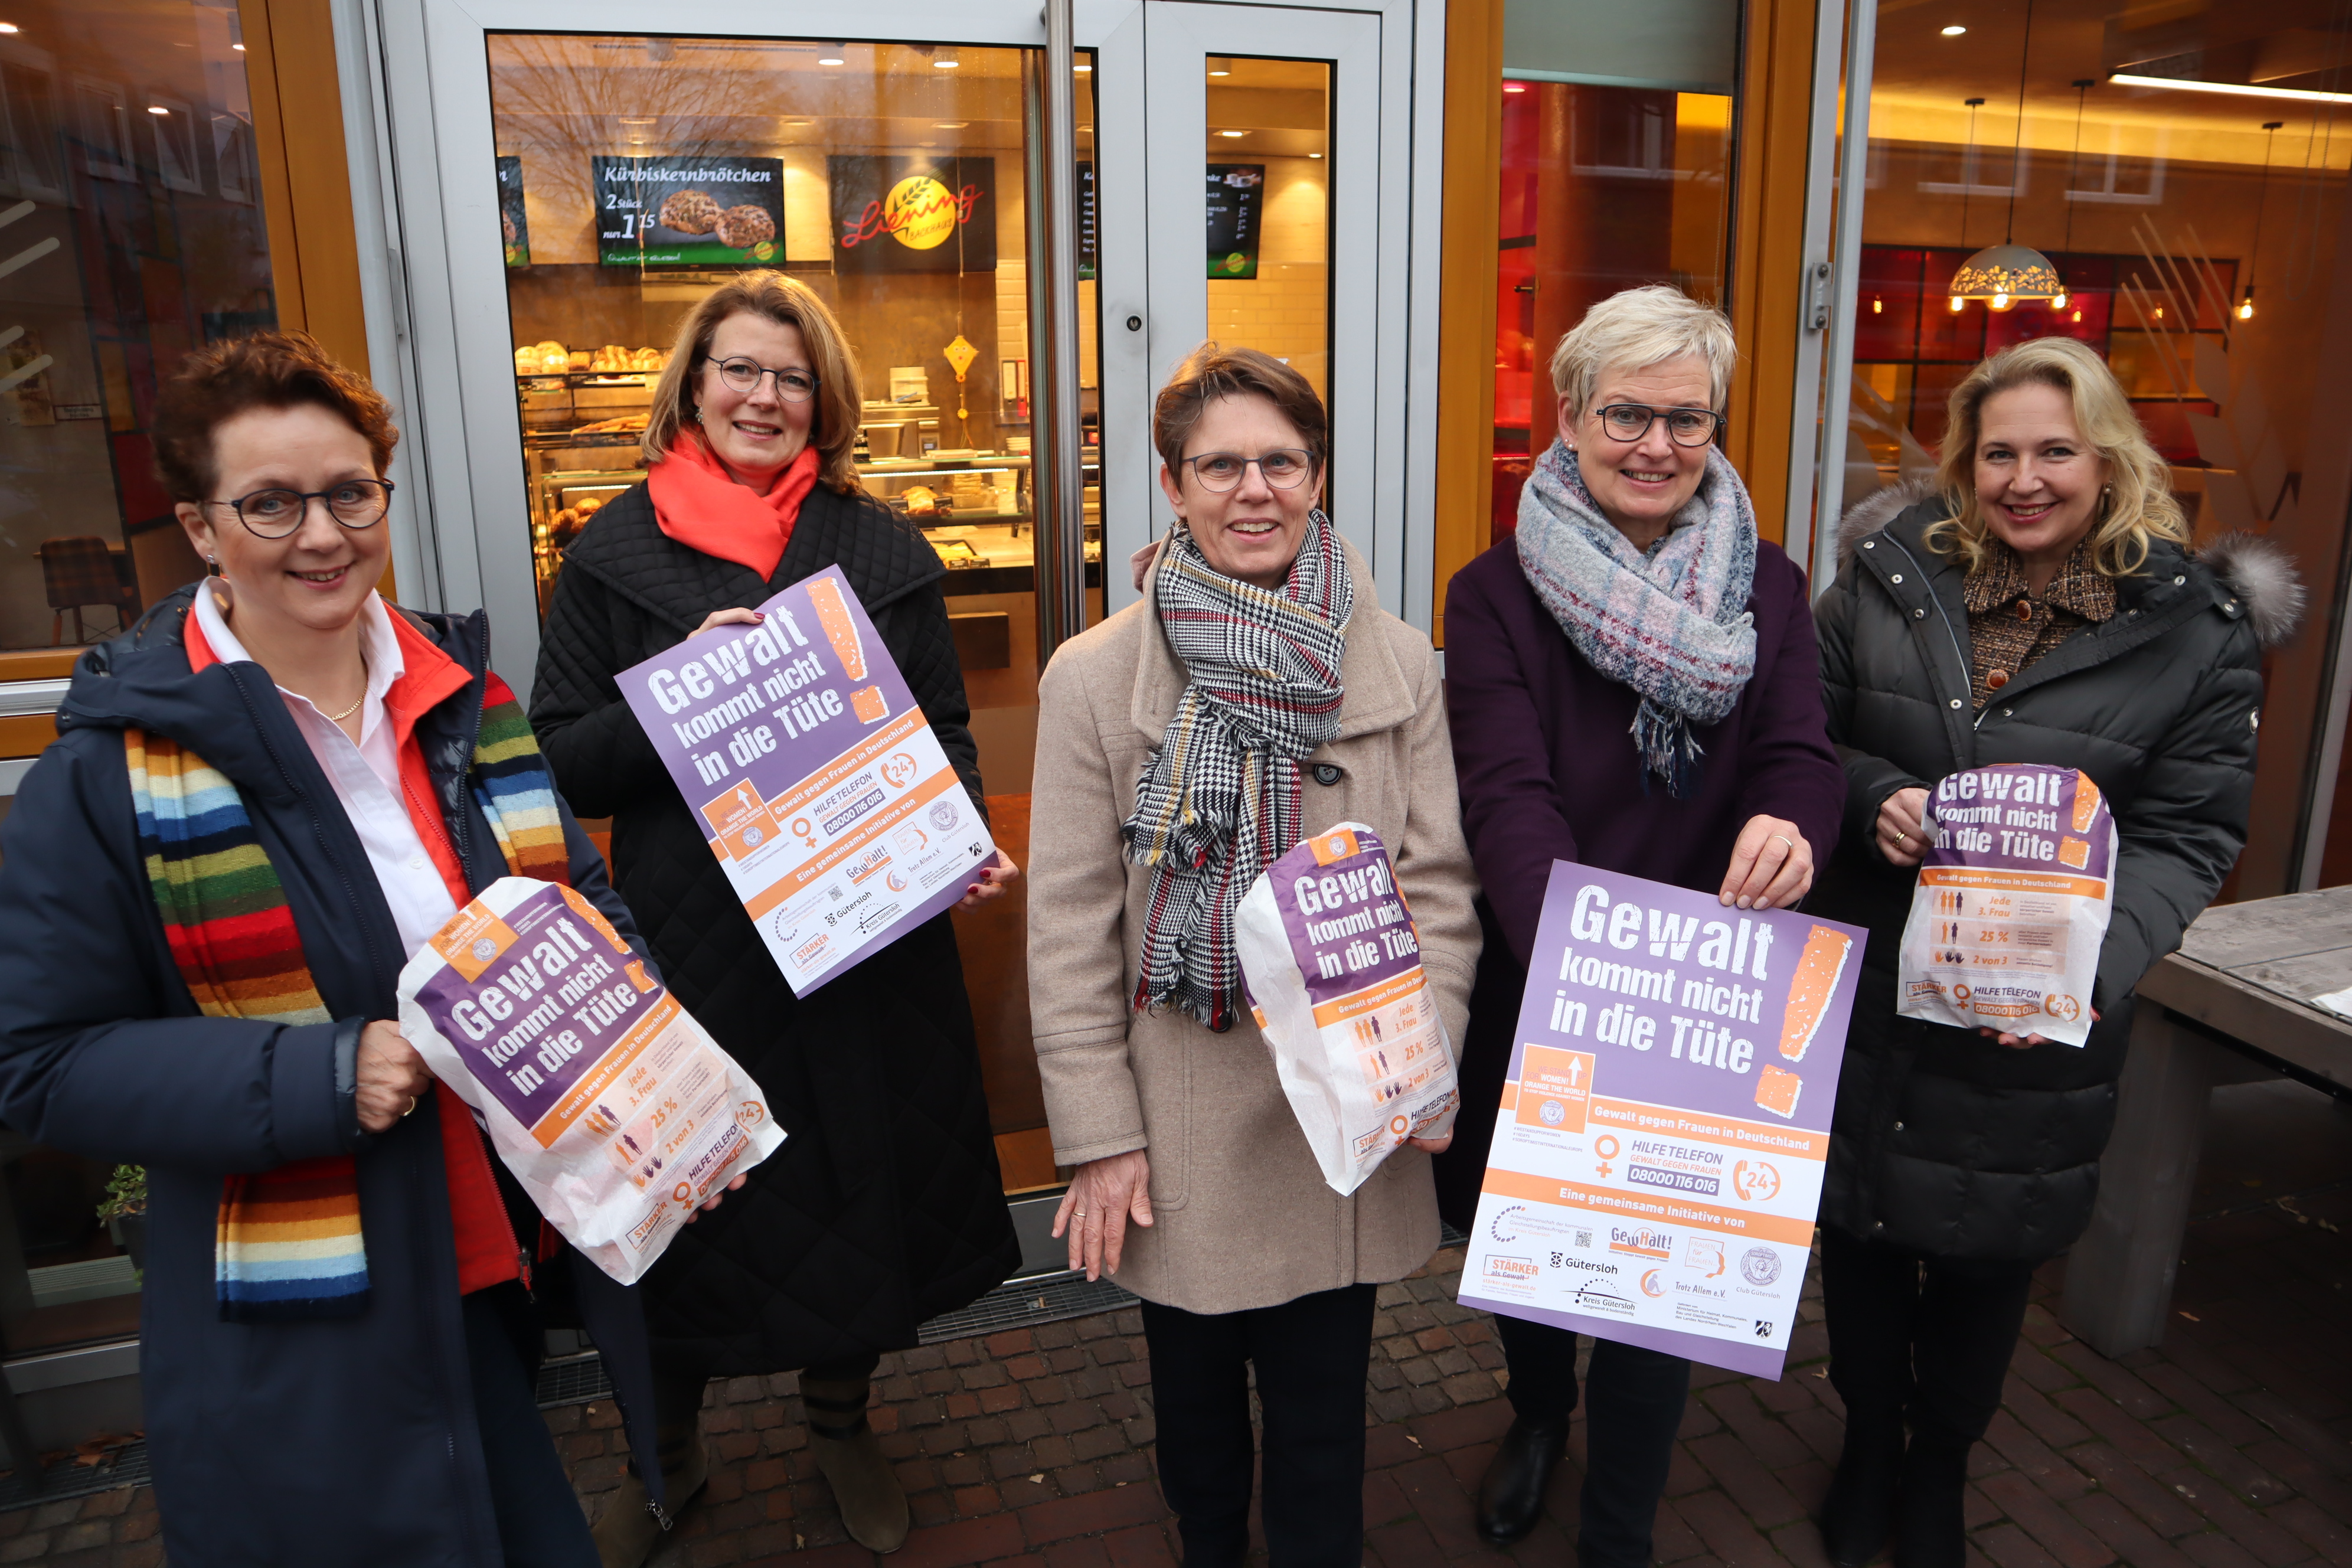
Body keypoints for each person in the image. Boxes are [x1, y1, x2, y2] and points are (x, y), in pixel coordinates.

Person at [0, 331, 714, 1566]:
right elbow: (41, 1060)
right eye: (269, 503)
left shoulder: (466, 705)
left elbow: (586, 911)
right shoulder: (108, 771)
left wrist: (669, 1093)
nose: (321, 533)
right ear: (201, 526)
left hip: (493, 1238)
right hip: (310, 1312)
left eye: (348, 492)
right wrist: (320, 1076)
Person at [528, 270, 1020, 1562]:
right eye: (739, 369)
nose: (763, 394)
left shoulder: (880, 547)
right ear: (693, 384)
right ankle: (669, 1457)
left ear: (824, 400)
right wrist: (676, 688)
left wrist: (957, 835)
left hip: (859, 934)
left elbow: (940, 727)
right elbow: (562, 756)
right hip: (692, 941)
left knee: (857, 1181)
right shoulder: (612, 552)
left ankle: (843, 1417)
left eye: (790, 376)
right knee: (693, 1193)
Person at [1811, 335, 2298, 1568]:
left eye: (2056, 451)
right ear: (1965, 467)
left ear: (2109, 458)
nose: (2025, 478)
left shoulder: (2194, 630)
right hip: (1869, 987)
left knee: (1986, 1260)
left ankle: (1939, 1469)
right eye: (2000, 453)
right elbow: (1799, 739)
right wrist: (1870, 792)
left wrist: (2089, 973)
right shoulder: (1887, 576)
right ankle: (1868, 1441)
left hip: (2031, 1018)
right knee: (1861, 1242)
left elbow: (2191, 834)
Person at [1027, 344, 1481, 1567]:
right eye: (1220, 464)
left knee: (1328, 1420)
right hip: (1184, 1107)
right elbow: (1070, 929)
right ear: (1174, 487)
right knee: (1197, 1426)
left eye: (1280, 460)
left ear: (1318, 476)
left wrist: (1417, 1051)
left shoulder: (1398, 659)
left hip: (1347, 1108)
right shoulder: (1095, 675)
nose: (1253, 489)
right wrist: (1097, 1132)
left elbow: (1439, 882)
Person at [1433, 285, 1845, 1564]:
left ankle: (1621, 1522)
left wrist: (1796, 824)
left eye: (1687, 418)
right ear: (1570, 415)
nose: (1656, 444)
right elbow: (1505, 790)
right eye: (1627, 413)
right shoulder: (1495, 593)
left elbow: (1802, 753)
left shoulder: (1768, 585)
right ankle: (1539, 1413)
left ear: (1716, 427)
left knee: (1671, 1278)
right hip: (1556, 967)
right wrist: (1575, 949)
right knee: (1542, 1246)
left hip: (1714, 988)